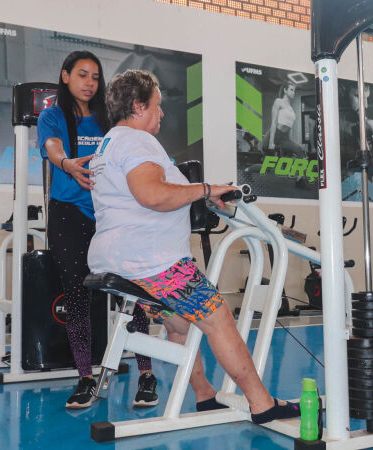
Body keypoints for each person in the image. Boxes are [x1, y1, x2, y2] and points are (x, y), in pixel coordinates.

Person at [88, 69, 301, 423]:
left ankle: (205, 395)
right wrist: (205, 189)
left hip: (120, 261)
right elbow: (152, 195)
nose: (162, 114)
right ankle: (262, 403)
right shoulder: (139, 142)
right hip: (154, 263)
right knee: (218, 319)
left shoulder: (109, 143)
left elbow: (140, 196)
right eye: (157, 106)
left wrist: (198, 197)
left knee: (178, 325)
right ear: (139, 106)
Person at [37, 51, 159, 409]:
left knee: (131, 291)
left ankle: (147, 375)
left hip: (111, 214)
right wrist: (65, 163)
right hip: (69, 215)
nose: (89, 82)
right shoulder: (53, 116)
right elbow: (52, 145)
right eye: (81, 75)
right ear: (65, 77)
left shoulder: (109, 119)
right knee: (76, 295)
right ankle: (85, 378)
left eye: (95, 76)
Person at [266, 82, 304, 157]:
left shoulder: (291, 108)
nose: (293, 93)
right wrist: (271, 142)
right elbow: (274, 122)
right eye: (291, 90)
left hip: (285, 137)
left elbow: (290, 127)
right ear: (285, 90)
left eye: (294, 91)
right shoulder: (278, 101)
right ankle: (249, 169)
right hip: (276, 135)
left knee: (299, 150)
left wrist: (292, 141)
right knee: (272, 165)